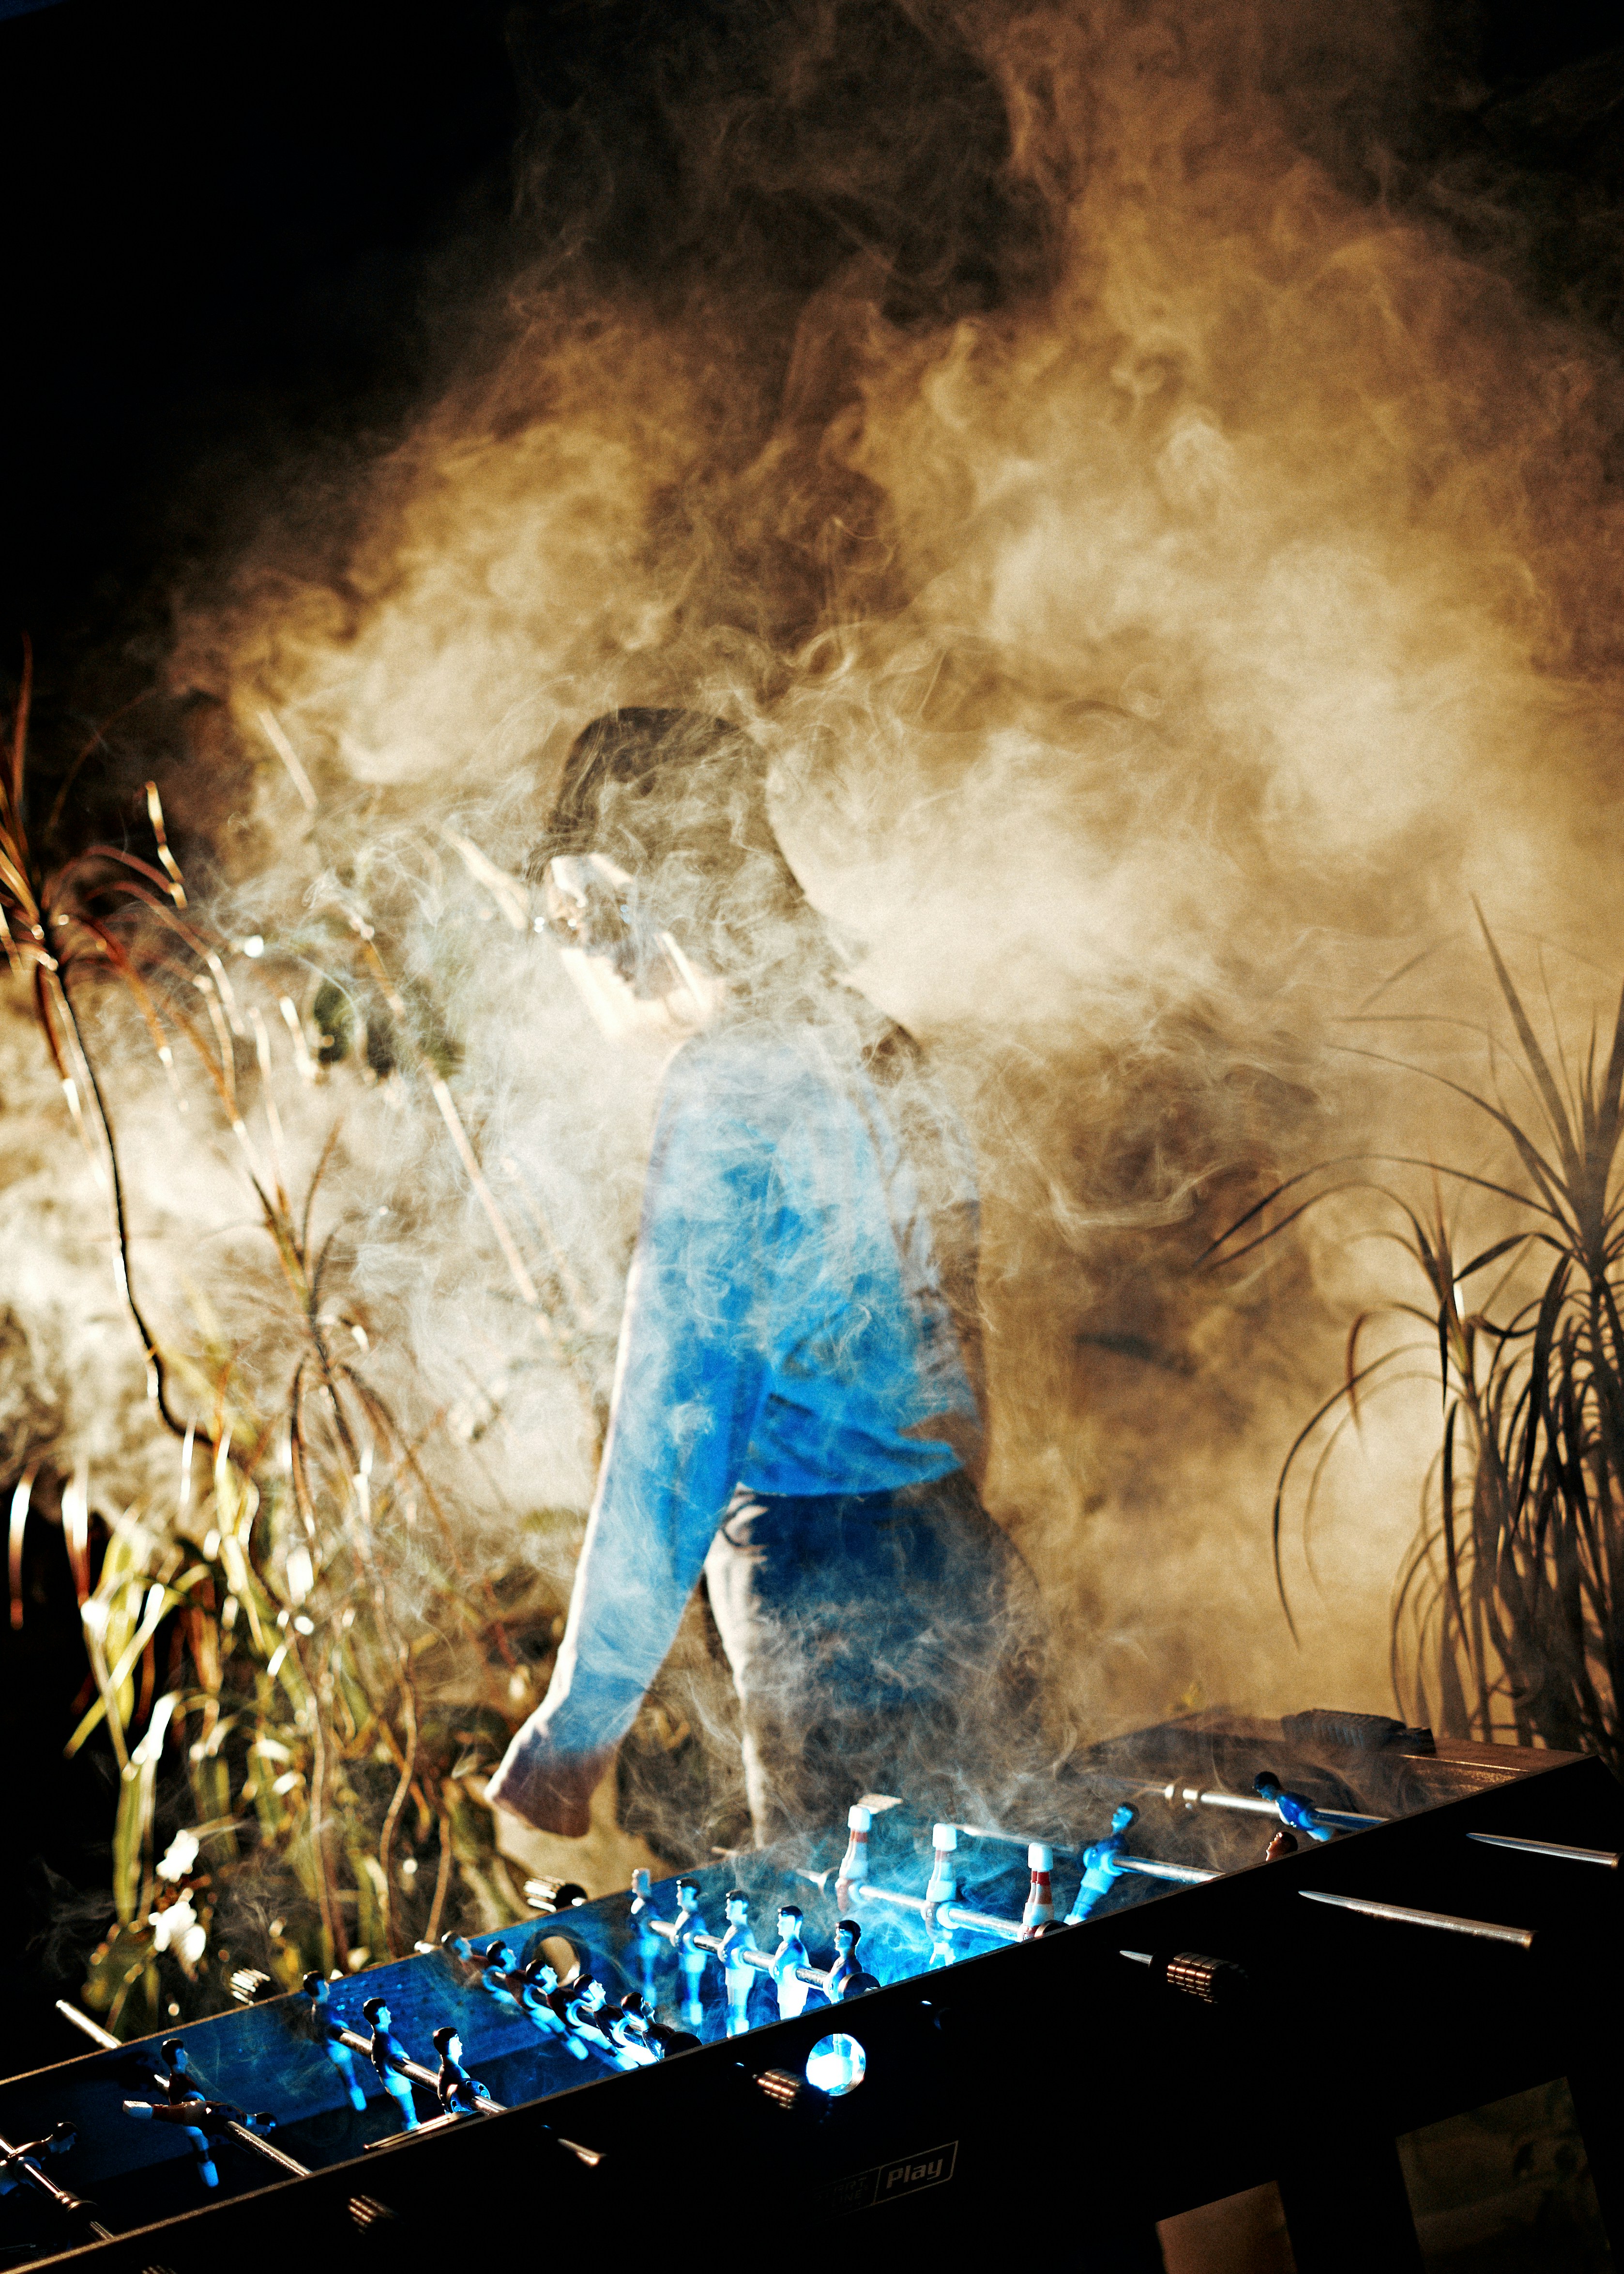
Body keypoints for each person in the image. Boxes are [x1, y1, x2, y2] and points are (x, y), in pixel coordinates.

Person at [485, 707, 1037, 1848]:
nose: (589, 951)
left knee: (872, 1972)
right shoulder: (881, 1044)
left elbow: (675, 1422)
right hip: (962, 1560)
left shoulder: (729, 1087)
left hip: (824, 1605)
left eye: (585, 909)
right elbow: (961, 1356)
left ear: (652, 883)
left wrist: (577, 1723)